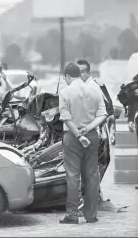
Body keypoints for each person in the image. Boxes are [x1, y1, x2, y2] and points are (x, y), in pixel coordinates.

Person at [58, 62, 107, 224]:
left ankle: (72, 214)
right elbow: (102, 115)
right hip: (92, 136)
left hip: (72, 138)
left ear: (67, 76)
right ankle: (91, 215)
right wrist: (88, 128)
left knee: (73, 176)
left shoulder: (65, 92)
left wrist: (78, 134)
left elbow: (65, 117)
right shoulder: (95, 89)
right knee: (92, 175)